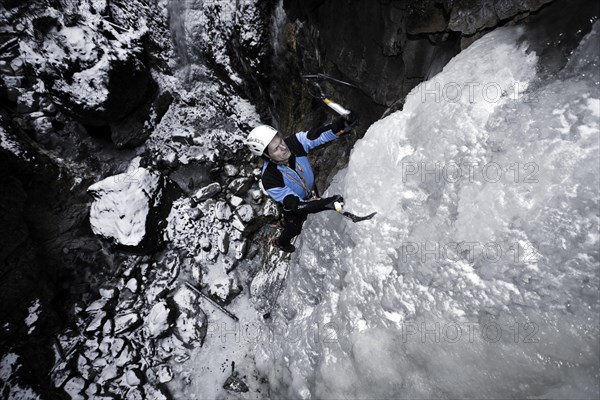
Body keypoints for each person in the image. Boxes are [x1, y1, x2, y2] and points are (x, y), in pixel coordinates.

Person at [245, 112, 359, 252]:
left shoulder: (294, 143)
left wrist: (340, 125)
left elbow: (317, 136)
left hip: (310, 190)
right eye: (276, 149)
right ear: (267, 156)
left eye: (280, 141)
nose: (283, 147)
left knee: (312, 204)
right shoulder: (270, 179)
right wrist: (324, 203)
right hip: (294, 206)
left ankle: (285, 223)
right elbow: (296, 204)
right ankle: (281, 242)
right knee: (295, 228)